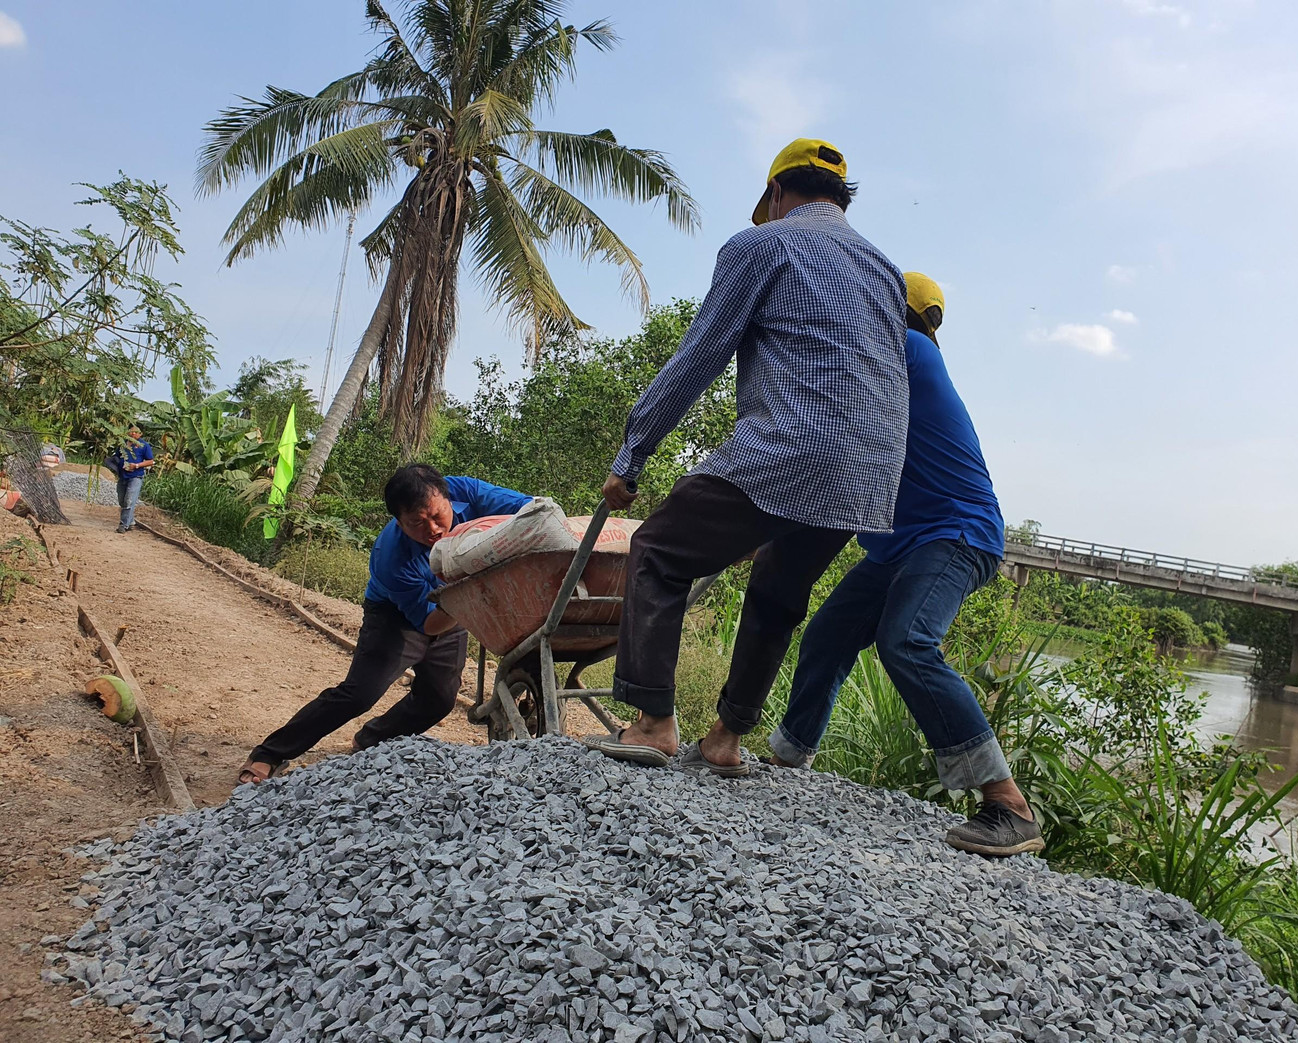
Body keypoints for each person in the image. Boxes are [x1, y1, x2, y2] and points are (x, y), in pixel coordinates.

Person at [588, 138, 910, 776]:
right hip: (871, 469)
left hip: (793, 446)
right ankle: (726, 739)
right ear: (839, 198)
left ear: (775, 194)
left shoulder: (761, 244)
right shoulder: (885, 270)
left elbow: (702, 353)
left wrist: (634, 453)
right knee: (778, 590)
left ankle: (653, 722)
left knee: (658, 550)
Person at [768, 274, 1043, 856]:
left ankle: (1009, 804)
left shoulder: (907, 351)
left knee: (909, 641)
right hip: (901, 547)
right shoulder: (893, 372)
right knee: (827, 636)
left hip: (955, 533)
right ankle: (788, 757)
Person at [238, 464, 531, 784]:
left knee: (440, 699)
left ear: (447, 497)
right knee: (360, 693)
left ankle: (371, 739)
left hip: (459, 601)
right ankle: (270, 752)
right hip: (400, 615)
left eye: (437, 515)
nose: (433, 529)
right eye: (417, 523)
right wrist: (471, 594)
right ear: (399, 522)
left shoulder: (467, 491)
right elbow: (429, 624)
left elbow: (533, 510)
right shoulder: (391, 557)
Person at [115, 425, 155, 533]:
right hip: (123, 476)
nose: (133, 434)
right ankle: (131, 521)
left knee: (129, 500)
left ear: (140, 434)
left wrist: (136, 466)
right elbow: (117, 456)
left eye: (136, 432)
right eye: (131, 432)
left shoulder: (144, 445)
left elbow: (151, 461)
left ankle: (123, 525)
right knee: (122, 500)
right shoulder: (122, 444)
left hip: (136, 476)